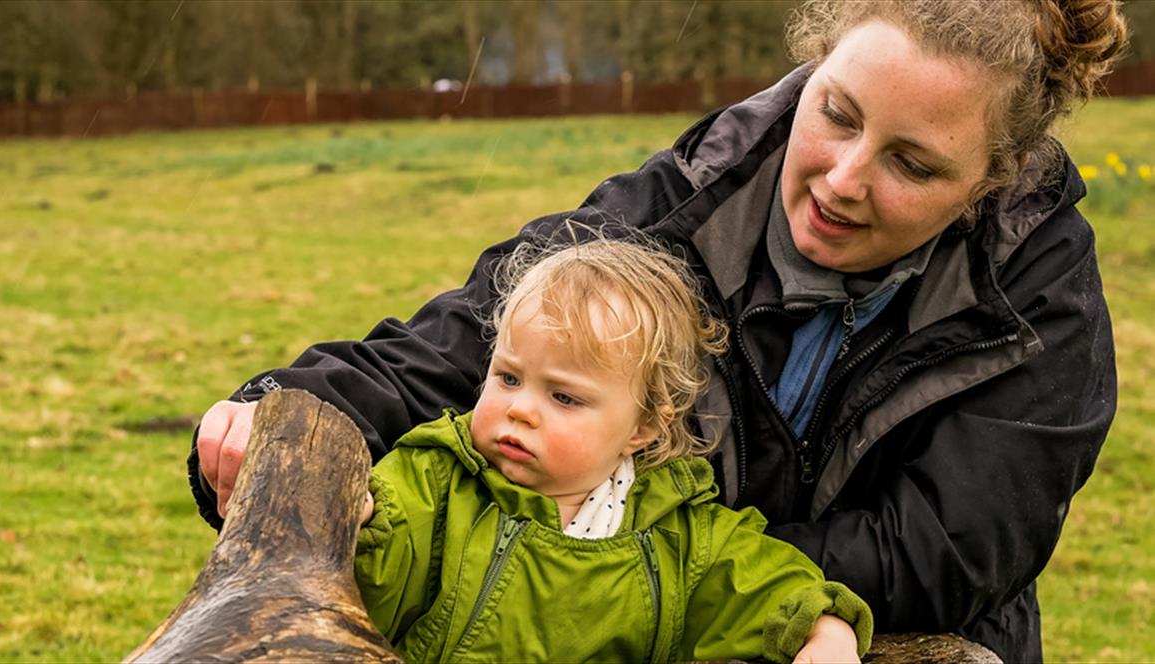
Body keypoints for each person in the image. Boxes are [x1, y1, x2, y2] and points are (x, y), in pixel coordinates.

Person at [190, 1, 1127, 660]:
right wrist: (290, 408)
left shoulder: (1043, 310)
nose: (843, 178)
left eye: (912, 164)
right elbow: (476, 342)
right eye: (835, 113)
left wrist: (646, 571)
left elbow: (944, 556)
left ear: (992, 181)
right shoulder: (680, 206)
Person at [351, 238, 872, 662]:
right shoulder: (438, 480)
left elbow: (759, 580)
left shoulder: (676, 533)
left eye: (563, 396)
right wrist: (361, 515)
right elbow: (386, 541)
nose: (521, 409)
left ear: (642, 427)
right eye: (508, 377)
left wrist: (824, 628)